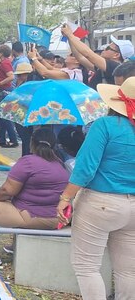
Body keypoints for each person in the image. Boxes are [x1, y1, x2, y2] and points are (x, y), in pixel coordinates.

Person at [56, 76, 135, 298]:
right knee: (128, 271)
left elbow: (85, 168)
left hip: (100, 202)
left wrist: (65, 198)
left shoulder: (105, 125)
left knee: (87, 267)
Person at [0, 127, 69, 265]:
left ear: (32, 142)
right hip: (56, 219)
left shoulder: (28, 161)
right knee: (17, 203)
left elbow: (8, 190)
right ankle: (15, 247)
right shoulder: (60, 164)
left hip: (33, 216)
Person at [0, 45, 18, 148]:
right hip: (1, 91)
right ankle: (2, 139)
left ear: (1, 53)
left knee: (5, 117)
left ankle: (13, 140)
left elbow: (11, 76)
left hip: (4, 91)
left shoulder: (5, 63)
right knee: (1, 117)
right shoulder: (4, 63)